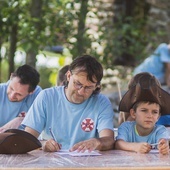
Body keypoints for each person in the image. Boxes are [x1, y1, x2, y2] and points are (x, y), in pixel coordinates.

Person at [22, 55, 115, 152]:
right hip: (52, 162)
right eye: (78, 84)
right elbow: (27, 139)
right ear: (69, 76)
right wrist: (43, 144)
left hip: (88, 163)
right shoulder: (46, 97)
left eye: (88, 88)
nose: (81, 92)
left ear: (96, 86)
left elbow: (109, 140)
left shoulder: (101, 103)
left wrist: (96, 142)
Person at [115, 73, 170, 155]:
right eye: (144, 110)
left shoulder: (160, 130)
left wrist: (164, 145)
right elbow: (118, 143)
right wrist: (135, 147)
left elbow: (164, 139)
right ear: (133, 113)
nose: (149, 115)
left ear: (159, 115)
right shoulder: (126, 127)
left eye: (154, 112)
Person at [0, 64, 42, 133]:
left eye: (19, 94)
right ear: (11, 77)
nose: (12, 95)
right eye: (11, 88)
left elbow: (44, 120)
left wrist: (21, 120)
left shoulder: (37, 95)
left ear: (31, 92)